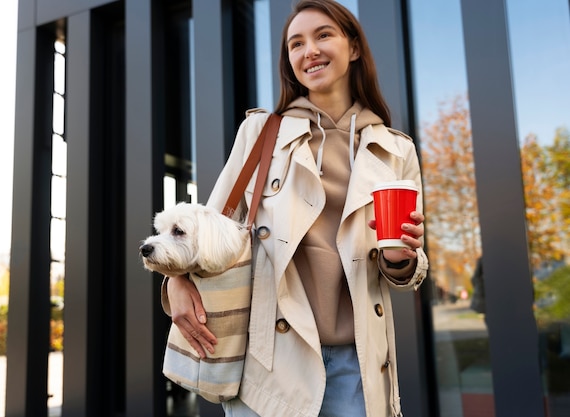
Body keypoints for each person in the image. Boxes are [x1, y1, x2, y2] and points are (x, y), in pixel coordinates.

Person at [163, 1, 428, 415]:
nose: (310, 51)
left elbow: (407, 270)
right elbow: (209, 229)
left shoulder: (396, 150)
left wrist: (400, 259)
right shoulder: (261, 132)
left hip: (356, 367)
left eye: (324, 35)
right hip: (269, 365)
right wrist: (176, 283)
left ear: (354, 47)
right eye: (296, 44)